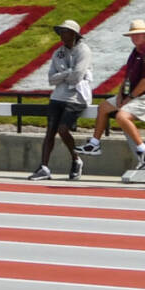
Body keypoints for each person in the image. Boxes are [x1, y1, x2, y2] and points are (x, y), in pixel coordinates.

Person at [81, 19, 145, 166]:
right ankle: (95, 144)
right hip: (133, 95)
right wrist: (121, 95)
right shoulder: (135, 52)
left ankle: (144, 149)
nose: (135, 37)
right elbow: (128, 77)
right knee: (103, 107)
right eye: (133, 35)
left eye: (138, 34)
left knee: (122, 116)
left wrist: (129, 98)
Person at [31, 19, 95, 181]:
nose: (61, 35)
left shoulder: (83, 51)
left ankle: (76, 159)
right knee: (50, 131)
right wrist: (67, 73)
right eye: (60, 31)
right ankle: (44, 167)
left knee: (63, 129)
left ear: (74, 34)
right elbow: (51, 79)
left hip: (76, 97)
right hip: (58, 95)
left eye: (65, 31)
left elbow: (77, 77)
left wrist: (64, 75)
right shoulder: (58, 52)